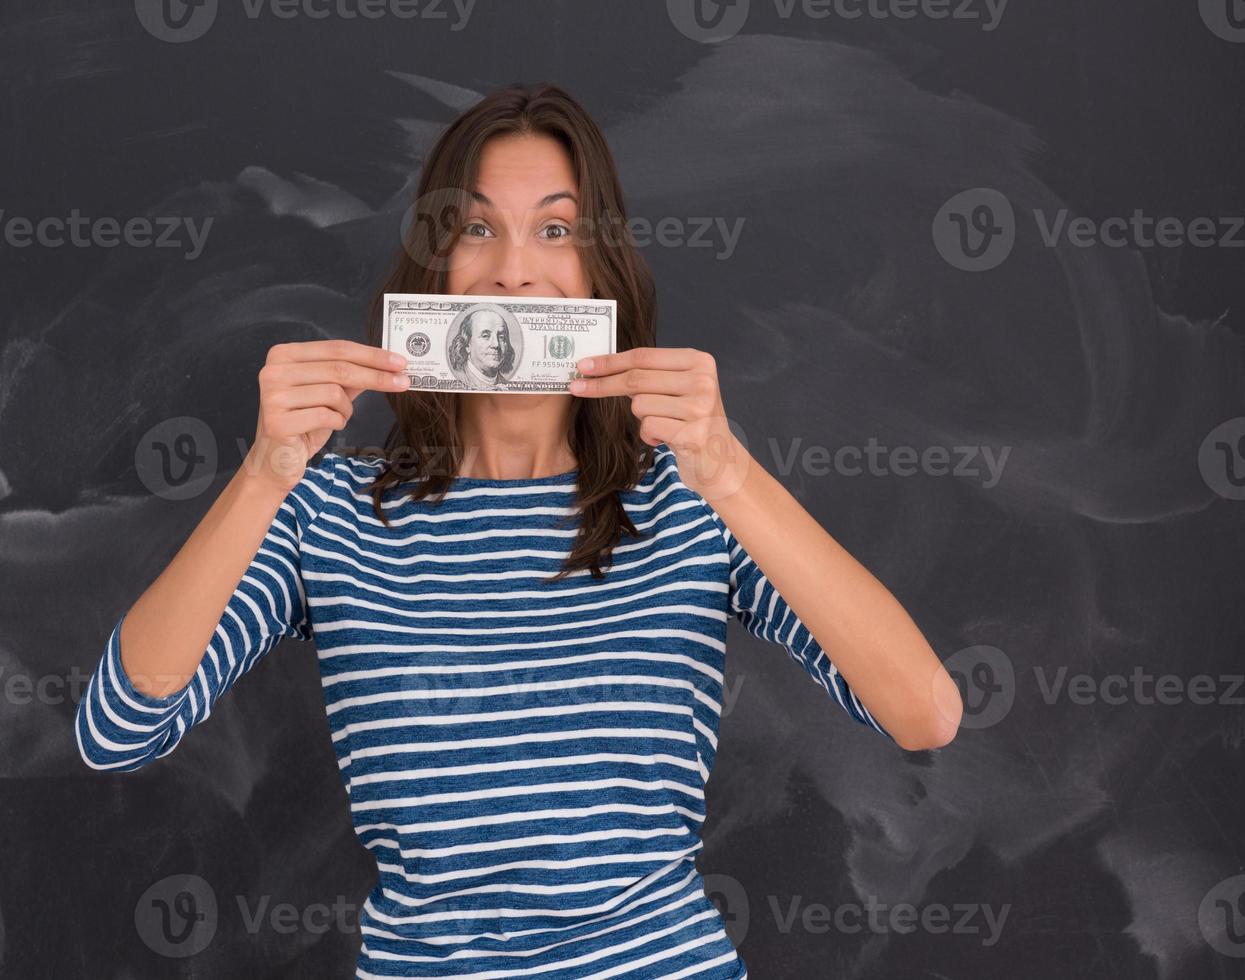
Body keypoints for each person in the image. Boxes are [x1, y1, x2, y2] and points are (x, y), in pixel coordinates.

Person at [76, 82, 961, 979]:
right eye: (475, 228)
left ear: (600, 272)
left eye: (555, 230)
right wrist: (263, 475)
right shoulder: (326, 513)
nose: (512, 272)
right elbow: (118, 729)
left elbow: (922, 712)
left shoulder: (692, 501)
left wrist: (730, 473)